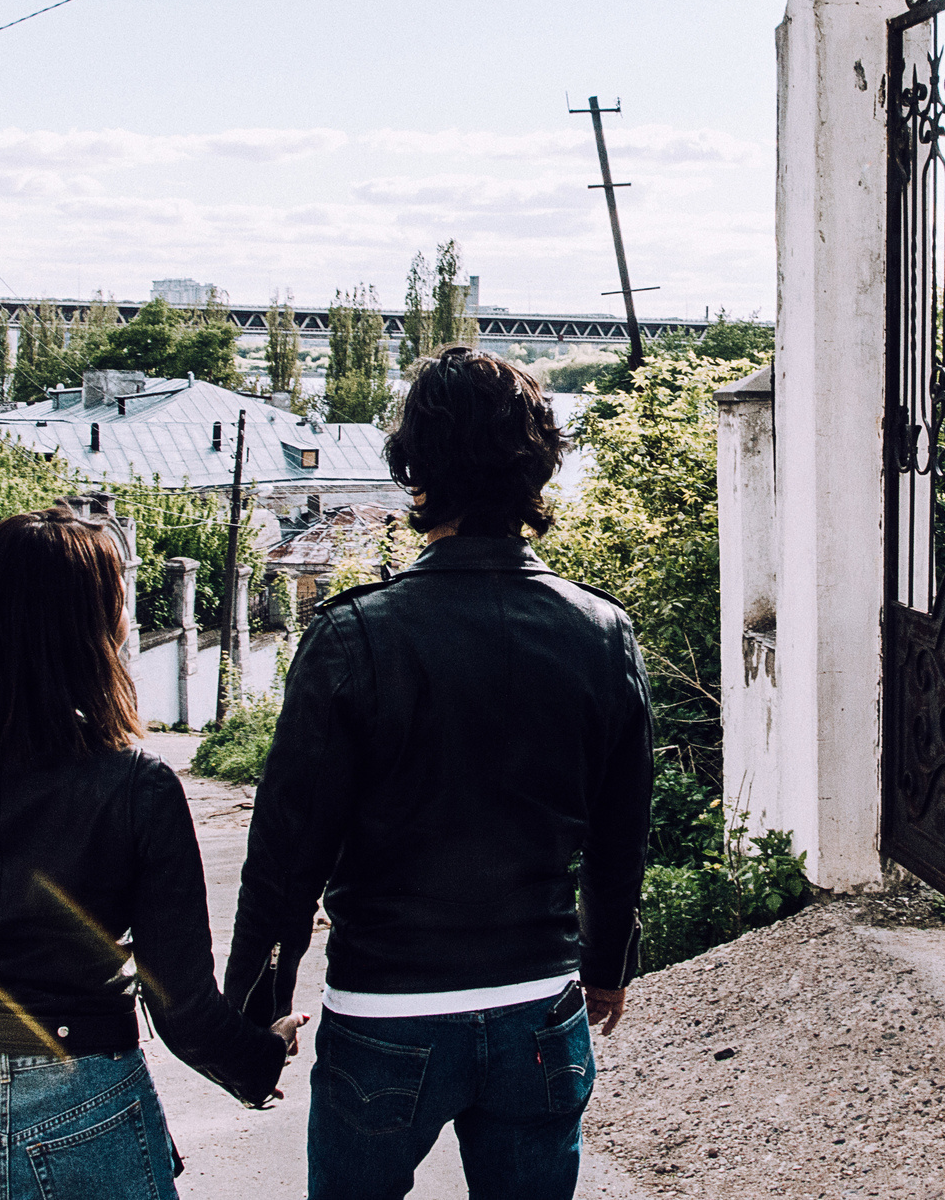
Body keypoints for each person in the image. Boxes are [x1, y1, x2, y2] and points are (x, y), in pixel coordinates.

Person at [226, 345, 652, 1200]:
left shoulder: (352, 636)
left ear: (414, 470)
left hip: (388, 1010)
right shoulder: (602, 634)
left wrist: (253, 1008)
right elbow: (619, 832)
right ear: (537, 468)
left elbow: (287, 851)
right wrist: (605, 961)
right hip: (540, 1004)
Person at [0, 508, 290, 1199]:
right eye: (117, 607)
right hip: (91, 1102)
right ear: (90, 631)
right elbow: (179, 1002)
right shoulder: (140, 786)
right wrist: (259, 1058)